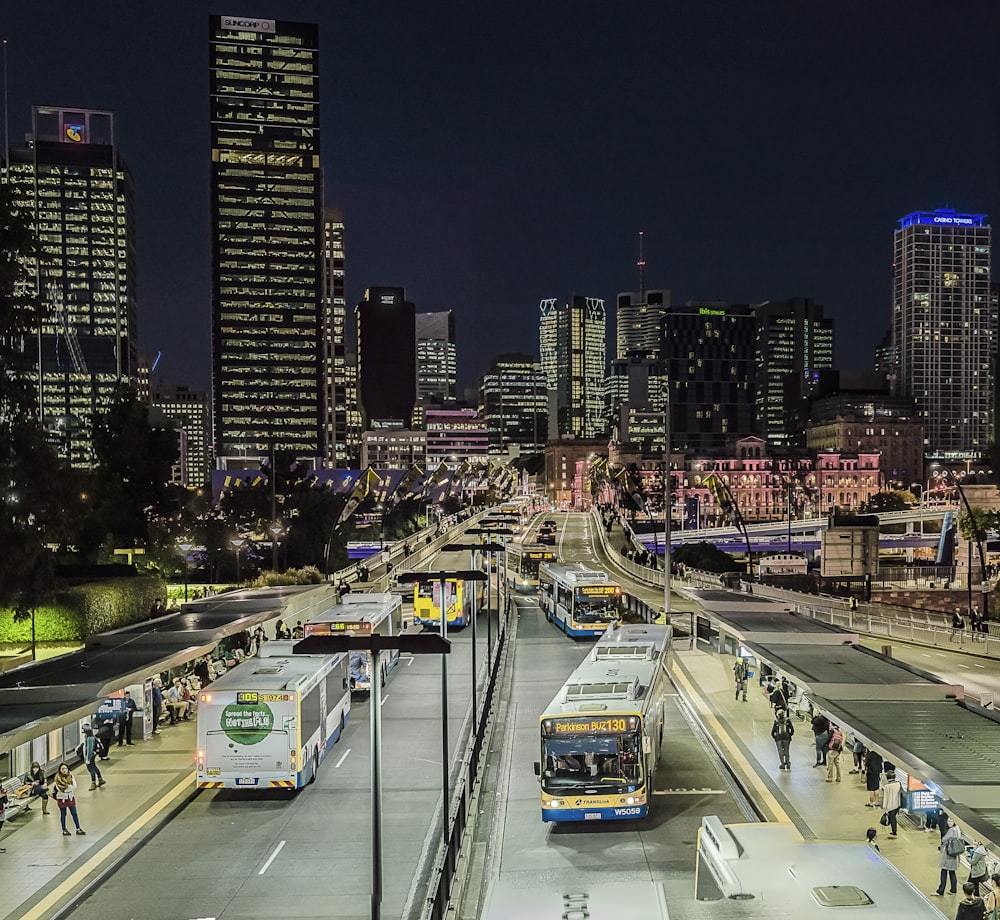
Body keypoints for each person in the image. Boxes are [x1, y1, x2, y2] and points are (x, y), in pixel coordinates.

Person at [52, 763, 85, 836]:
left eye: (65, 768)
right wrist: (69, 788)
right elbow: (59, 788)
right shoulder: (57, 778)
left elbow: (74, 787)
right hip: (61, 799)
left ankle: (78, 828)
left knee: (74, 813)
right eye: (62, 769)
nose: (64, 770)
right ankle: (64, 829)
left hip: (70, 797)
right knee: (63, 814)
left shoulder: (71, 776)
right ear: (60, 770)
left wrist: (67, 789)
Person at [936, 819, 966, 896]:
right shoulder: (958, 829)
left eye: (951, 821)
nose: (949, 823)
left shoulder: (951, 830)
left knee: (944, 871)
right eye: (948, 821)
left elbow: (944, 839)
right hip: (955, 854)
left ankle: (940, 890)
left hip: (948, 854)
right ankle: (953, 890)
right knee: (952, 872)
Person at [82, 725, 105, 790]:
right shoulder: (91, 736)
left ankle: (93, 783)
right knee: (94, 767)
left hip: (90, 756)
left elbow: (89, 749)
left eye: (83, 729)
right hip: (92, 755)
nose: (82, 730)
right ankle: (100, 779)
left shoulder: (89, 738)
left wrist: (88, 759)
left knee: (91, 769)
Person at [880, 766, 902, 837]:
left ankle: (894, 832)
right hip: (897, 804)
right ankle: (894, 831)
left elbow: (886, 798)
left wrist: (884, 807)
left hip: (890, 806)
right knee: (893, 818)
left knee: (892, 819)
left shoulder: (887, 786)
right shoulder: (898, 783)